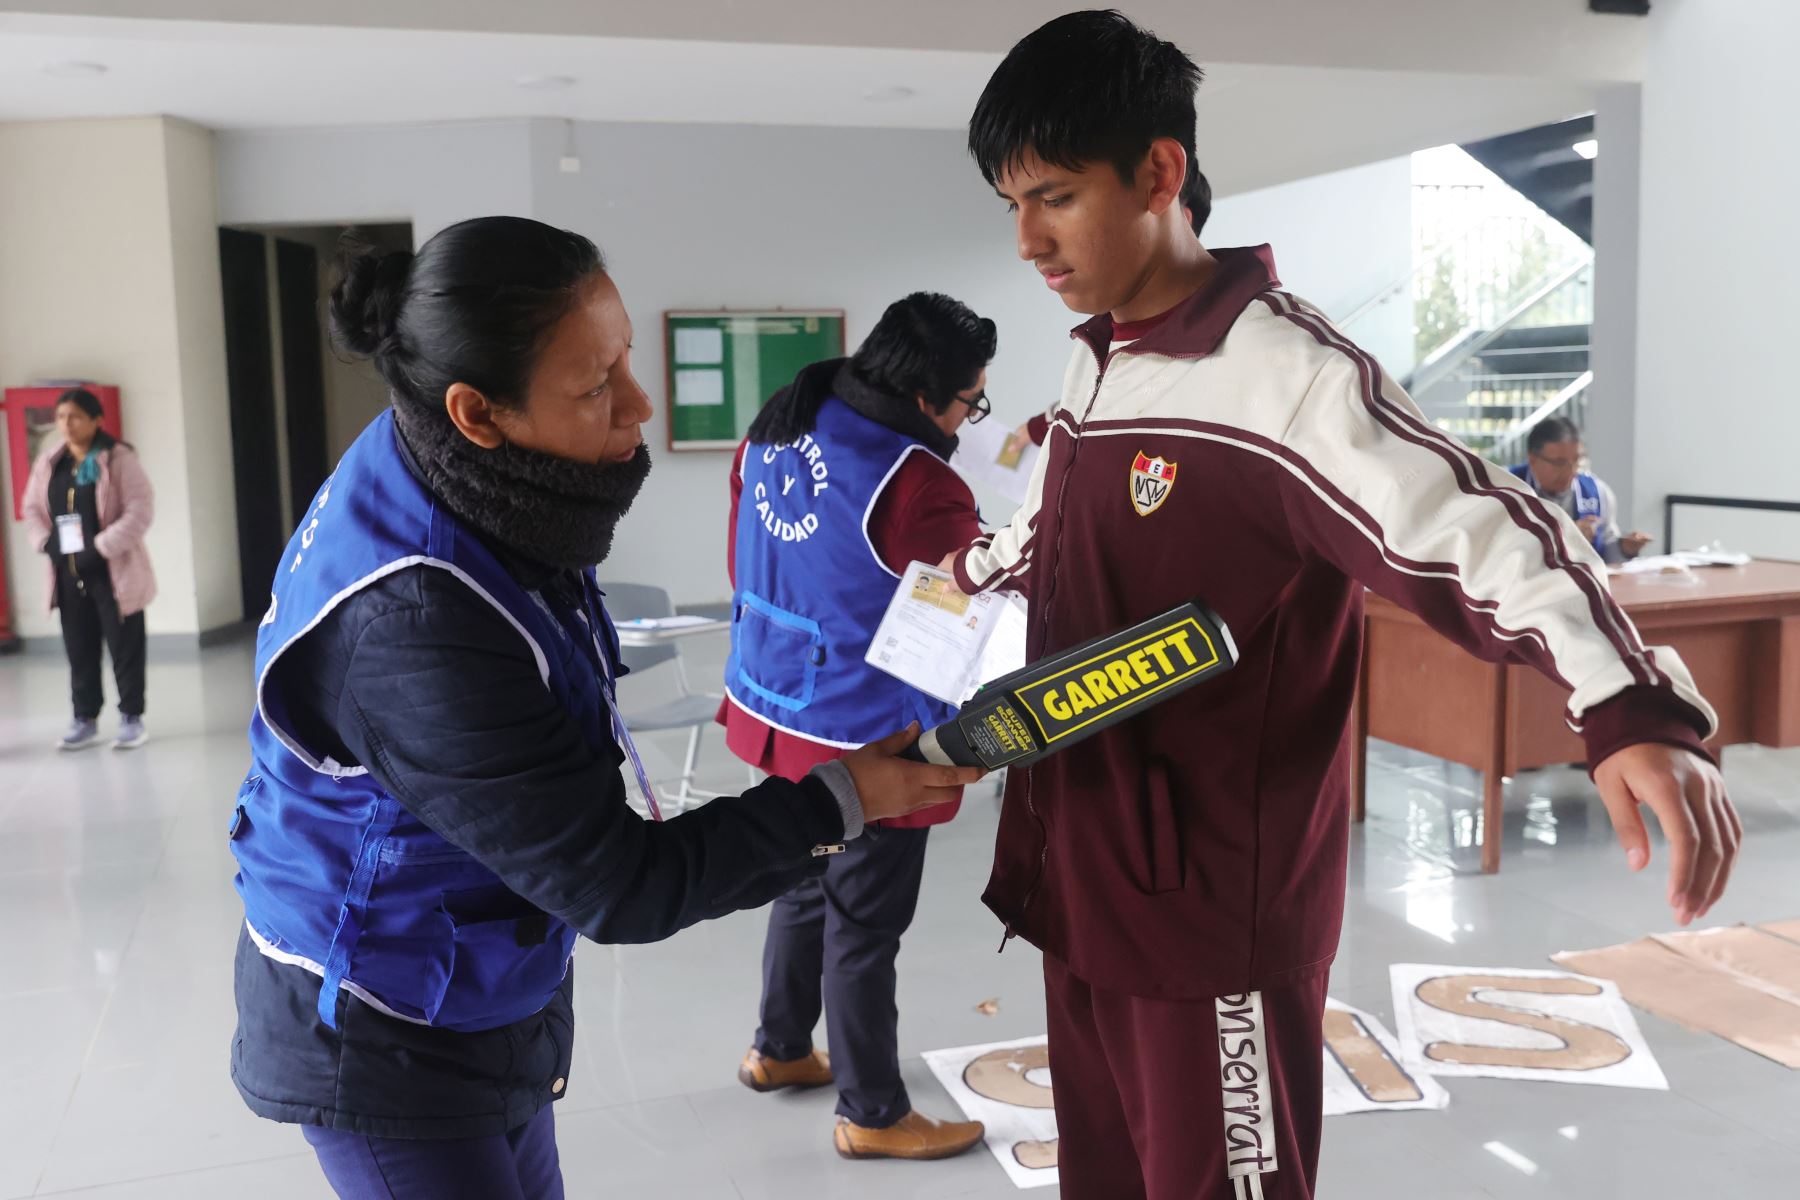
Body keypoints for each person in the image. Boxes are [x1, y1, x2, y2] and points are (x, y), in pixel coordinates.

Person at [946, 12, 1741, 1199]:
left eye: (1053, 197)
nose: (1027, 240)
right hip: (1082, 878)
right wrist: (963, 577)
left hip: (1210, 911)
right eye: (1012, 204)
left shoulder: (1292, 379)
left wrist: (1624, 702)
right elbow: (1065, 533)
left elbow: (1478, 527)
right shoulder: (1100, 357)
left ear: (1160, 171)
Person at [226, 217, 981, 1200]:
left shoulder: (455, 468)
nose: (639, 402)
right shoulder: (414, 627)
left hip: (478, 976)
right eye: (596, 386)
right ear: (478, 413)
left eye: (623, 357)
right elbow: (616, 882)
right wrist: (844, 799)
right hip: (386, 1027)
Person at [718, 293, 997, 1161]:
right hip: (865, 736)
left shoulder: (778, 426)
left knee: (805, 883)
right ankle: (873, 1113)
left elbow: (741, 558)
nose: (967, 418)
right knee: (865, 925)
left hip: (774, 702)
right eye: (969, 402)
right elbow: (964, 625)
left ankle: (779, 1048)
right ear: (927, 396)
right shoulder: (919, 484)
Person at [21, 387, 156, 750]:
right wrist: (44, 542)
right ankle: (85, 718)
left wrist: (100, 547)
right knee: (79, 648)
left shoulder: (118, 459)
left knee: (124, 647)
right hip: (67, 572)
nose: (66, 424)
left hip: (113, 572)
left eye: (75, 416)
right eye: (61, 416)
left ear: (97, 420)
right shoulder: (51, 461)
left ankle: (131, 717)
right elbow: (31, 509)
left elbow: (139, 511)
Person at [1511, 416, 1653, 564]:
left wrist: (1624, 548)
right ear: (1532, 459)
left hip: (1583, 583)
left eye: (1577, 461)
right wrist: (1565, 535)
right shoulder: (1506, 490)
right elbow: (1503, 551)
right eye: (1559, 463)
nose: (1570, 471)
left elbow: (1607, 552)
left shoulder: (1597, 492)